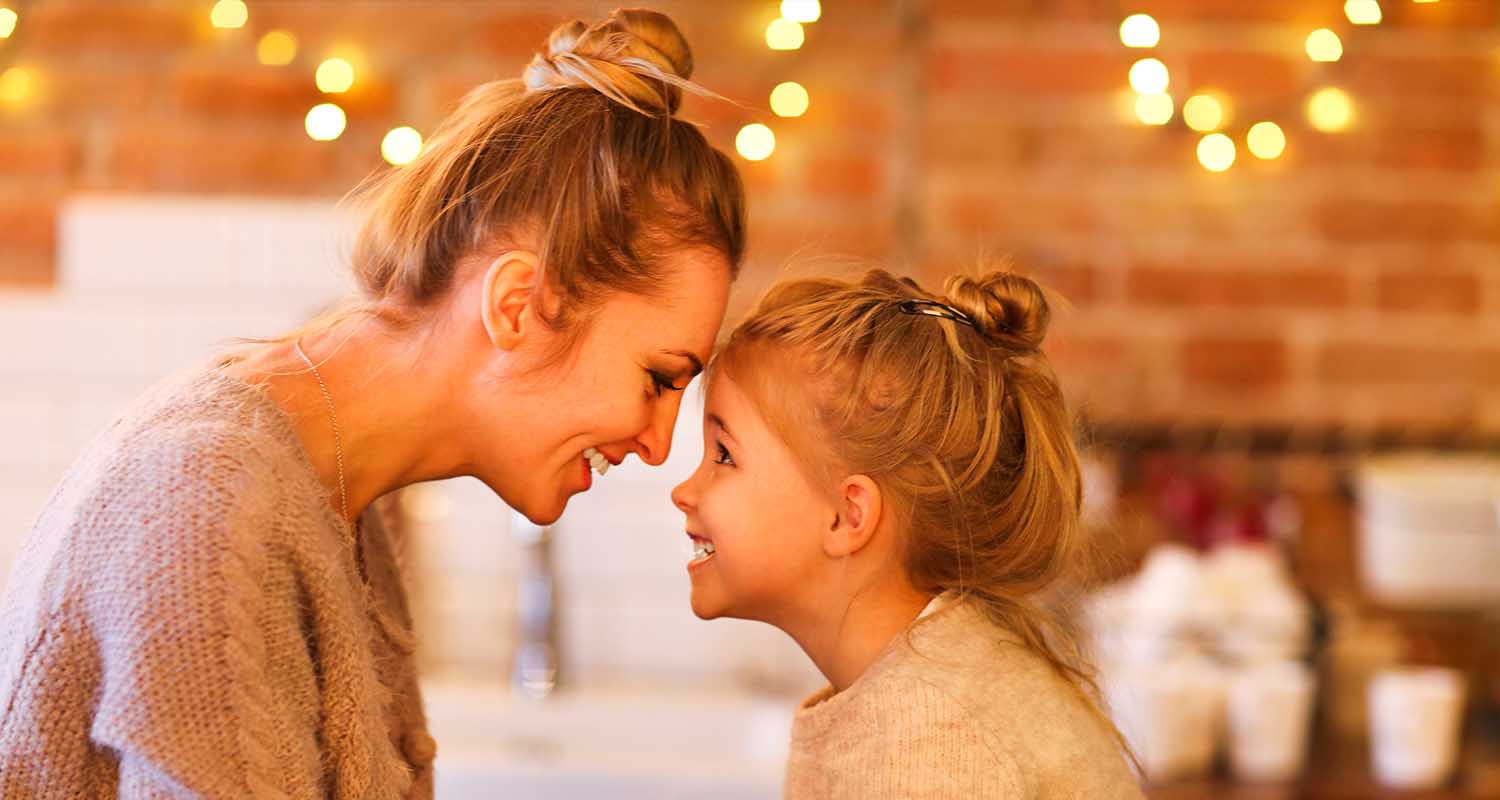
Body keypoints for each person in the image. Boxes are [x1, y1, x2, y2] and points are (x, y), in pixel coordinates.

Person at [0, 8, 745, 798]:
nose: (662, 444)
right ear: (518, 304)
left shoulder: (336, 497)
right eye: (660, 378)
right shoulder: (208, 499)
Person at [671, 268, 1145, 798]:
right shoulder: (922, 692)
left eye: (724, 455)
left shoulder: (932, 739)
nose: (685, 491)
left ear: (848, 516)